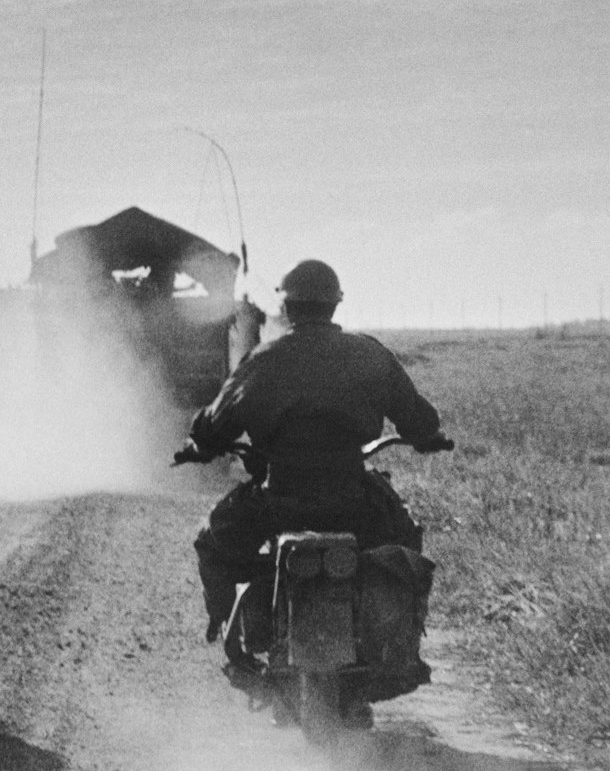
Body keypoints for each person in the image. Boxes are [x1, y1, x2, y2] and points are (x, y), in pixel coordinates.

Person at [176, 259, 450, 673]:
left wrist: (201, 443)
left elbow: (215, 424)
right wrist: (426, 437)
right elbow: (420, 420)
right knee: (405, 544)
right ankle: (401, 645)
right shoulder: (370, 354)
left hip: (278, 500)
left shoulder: (261, 360)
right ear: (335, 305)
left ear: (286, 307)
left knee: (212, 545)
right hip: (352, 499)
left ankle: (225, 634)